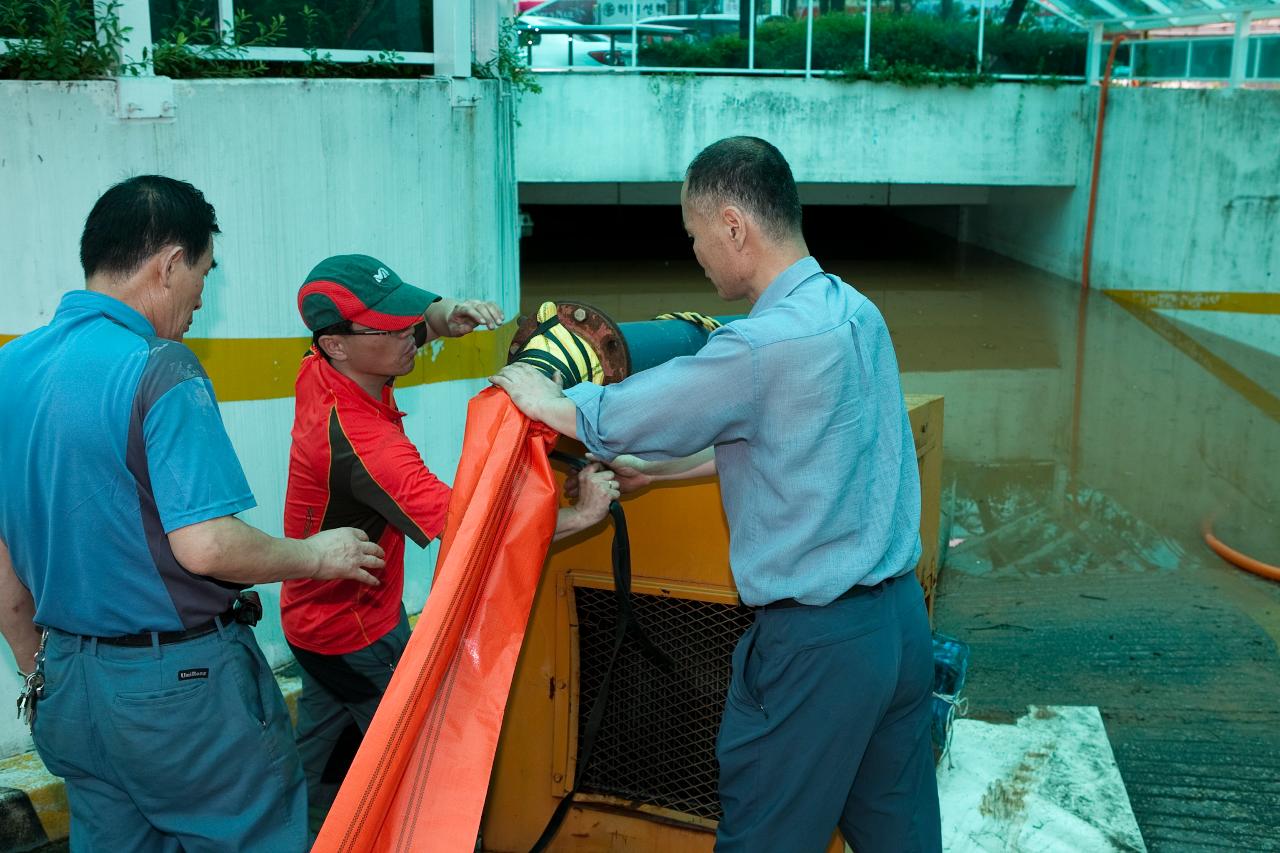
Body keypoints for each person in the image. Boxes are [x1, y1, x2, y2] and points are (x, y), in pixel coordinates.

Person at [491, 137, 942, 853]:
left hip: (815, 648)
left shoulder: (760, 346)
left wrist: (544, 393)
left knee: (764, 835)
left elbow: (612, 416)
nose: (696, 253)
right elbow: (803, 452)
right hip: (897, 627)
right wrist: (659, 473)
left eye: (696, 235)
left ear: (734, 225)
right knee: (898, 831)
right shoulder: (857, 313)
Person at [0, 175, 385, 853]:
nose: (203, 296)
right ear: (170, 262)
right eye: (203, 273)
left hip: (70, 684)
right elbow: (206, 545)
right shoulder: (158, 368)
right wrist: (317, 554)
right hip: (180, 693)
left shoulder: (12, 368)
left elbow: (5, 565)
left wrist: (41, 668)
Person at [282, 254, 620, 827]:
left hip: (310, 620)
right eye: (395, 328)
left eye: (410, 315)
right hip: (355, 632)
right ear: (337, 344)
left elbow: (401, 325)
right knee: (416, 759)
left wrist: (442, 315)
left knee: (314, 758)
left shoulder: (322, 366)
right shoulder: (364, 444)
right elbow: (475, 530)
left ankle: (296, 827)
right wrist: (583, 514)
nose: (412, 333)